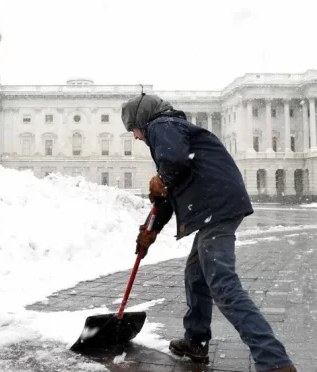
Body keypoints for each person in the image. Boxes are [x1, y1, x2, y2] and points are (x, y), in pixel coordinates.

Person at [122, 93, 296, 372]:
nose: (135, 136)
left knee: (223, 284)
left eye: (133, 129)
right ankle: (196, 341)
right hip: (218, 206)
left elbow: (173, 166)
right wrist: (150, 232)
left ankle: (274, 361)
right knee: (196, 275)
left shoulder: (161, 125)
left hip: (217, 207)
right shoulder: (170, 133)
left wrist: (161, 179)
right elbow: (167, 194)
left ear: (141, 120)